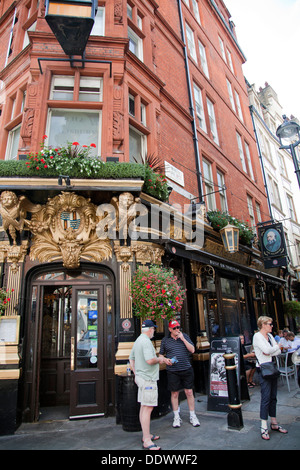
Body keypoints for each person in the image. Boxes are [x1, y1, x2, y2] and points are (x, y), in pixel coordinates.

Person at [129, 319, 172, 451]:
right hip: (148, 379)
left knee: (144, 407)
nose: (154, 331)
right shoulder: (146, 342)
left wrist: (136, 373)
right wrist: (162, 359)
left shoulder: (138, 340)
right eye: (153, 329)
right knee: (148, 408)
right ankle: (147, 441)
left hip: (141, 378)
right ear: (150, 329)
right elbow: (150, 360)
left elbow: (131, 358)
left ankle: (146, 435)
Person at [159, 319, 200, 428]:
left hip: (186, 368)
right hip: (173, 371)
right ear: (169, 329)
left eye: (178, 327)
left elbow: (192, 350)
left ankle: (193, 415)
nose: (177, 330)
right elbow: (160, 355)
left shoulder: (185, 336)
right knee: (175, 393)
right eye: (174, 328)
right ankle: (176, 417)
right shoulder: (165, 340)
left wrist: (183, 339)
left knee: (189, 392)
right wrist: (165, 360)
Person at [253, 316, 288, 441]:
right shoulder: (257, 337)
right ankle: (263, 427)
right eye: (269, 324)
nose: (271, 326)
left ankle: (274, 422)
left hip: (272, 367)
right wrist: (275, 348)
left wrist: (273, 350)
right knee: (266, 397)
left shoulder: (271, 336)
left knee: (273, 396)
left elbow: (275, 352)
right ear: (263, 324)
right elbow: (268, 350)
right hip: (263, 369)